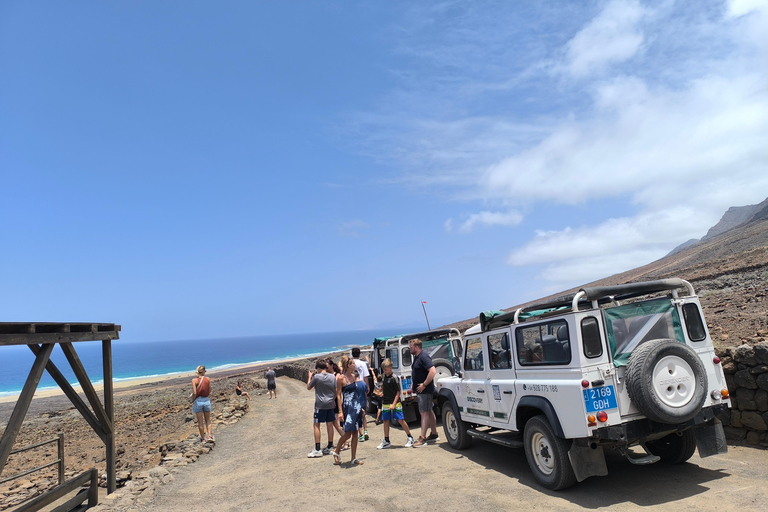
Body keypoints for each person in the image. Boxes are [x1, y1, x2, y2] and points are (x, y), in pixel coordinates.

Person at [332, 356, 366, 466]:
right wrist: (340, 411)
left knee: (356, 433)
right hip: (347, 407)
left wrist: (360, 407)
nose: (355, 365)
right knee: (347, 434)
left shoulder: (353, 376)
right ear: (348, 365)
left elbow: (356, 393)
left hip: (356, 406)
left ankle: (353, 458)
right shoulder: (341, 378)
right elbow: (338, 395)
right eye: (352, 364)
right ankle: (336, 451)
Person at [376, 358, 415, 449]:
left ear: (390, 368)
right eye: (383, 370)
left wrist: (394, 404)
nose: (384, 371)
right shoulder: (384, 376)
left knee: (400, 420)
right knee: (385, 421)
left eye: (385, 369)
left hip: (395, 403)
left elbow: (398, 392)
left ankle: (410, 437)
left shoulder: (394, 378)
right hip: (385, 402)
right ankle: (386, 440)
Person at [409, 338, 438, 447]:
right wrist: (414, 383)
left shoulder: (424, 357)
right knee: (429, 410)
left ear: (416, 347)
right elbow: (418, 372)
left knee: (424, 412)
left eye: (411, 347)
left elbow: (433, 371)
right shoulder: (417, 357)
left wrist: (424, 384)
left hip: (425, 391)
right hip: (421, 390)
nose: (410, 349)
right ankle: (434, 433)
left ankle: (422, 438)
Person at [307, 360, 338, 458]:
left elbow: (308, 387)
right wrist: (333, 400)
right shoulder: (333, 376)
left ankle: (317, 449)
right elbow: (335, 390)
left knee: (316, 425)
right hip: (330, 403)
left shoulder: (316, 377)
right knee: (330, 424)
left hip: (320, 404)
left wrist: (309, 377)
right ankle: (330, 446)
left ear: (318, 368)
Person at [350, 347, 370, 441]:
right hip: (362, 386)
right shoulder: (362, 364)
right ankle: (365, 431)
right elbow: (366, 376)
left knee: (356, 414)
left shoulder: (350, 363)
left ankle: (361, 434)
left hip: (354, 386)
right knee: (363, 413)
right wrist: (368, 387)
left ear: (352, 353)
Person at [192, 365, 214, 442]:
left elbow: (194, 392)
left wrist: (193, 400)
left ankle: (203, 438)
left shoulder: (194, 380)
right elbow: (210, 389)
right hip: (206, 400)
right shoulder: (208, 379)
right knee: (208, 420)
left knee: (200, 421)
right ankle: (210, 436)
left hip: (198, 401)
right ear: (204, 371)